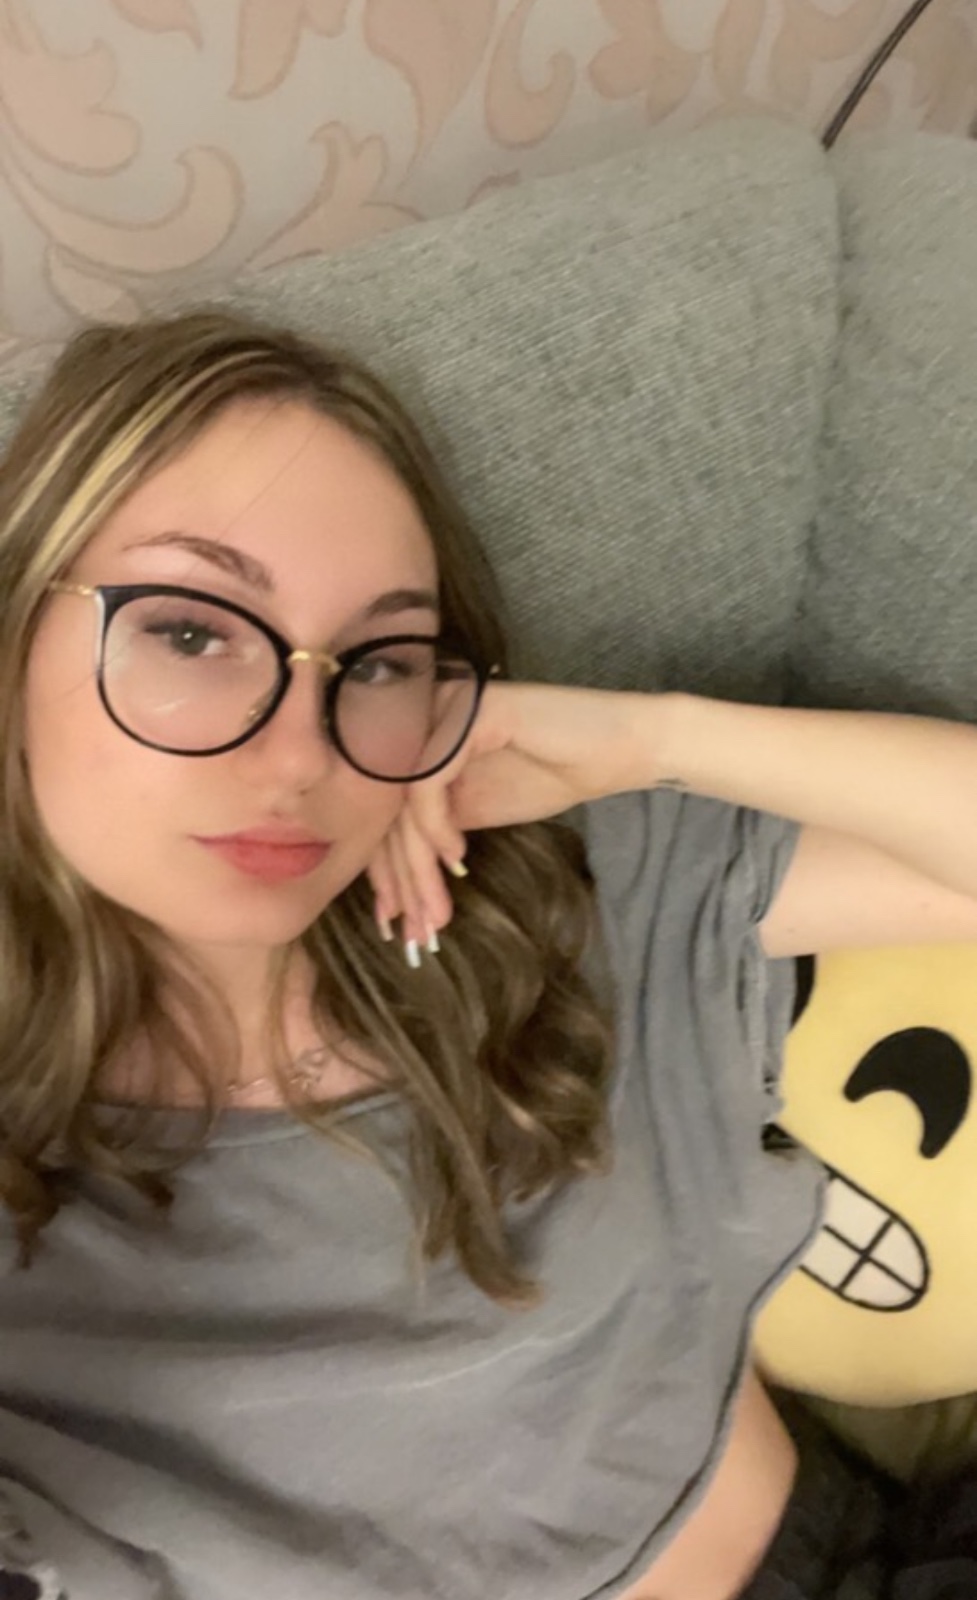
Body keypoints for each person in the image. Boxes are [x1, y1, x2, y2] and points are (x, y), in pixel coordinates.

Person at [1, 310, 976, 1600]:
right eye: (190, 631)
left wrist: (653, 739)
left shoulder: (536, 890)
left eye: (379, 660)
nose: (300, 754)